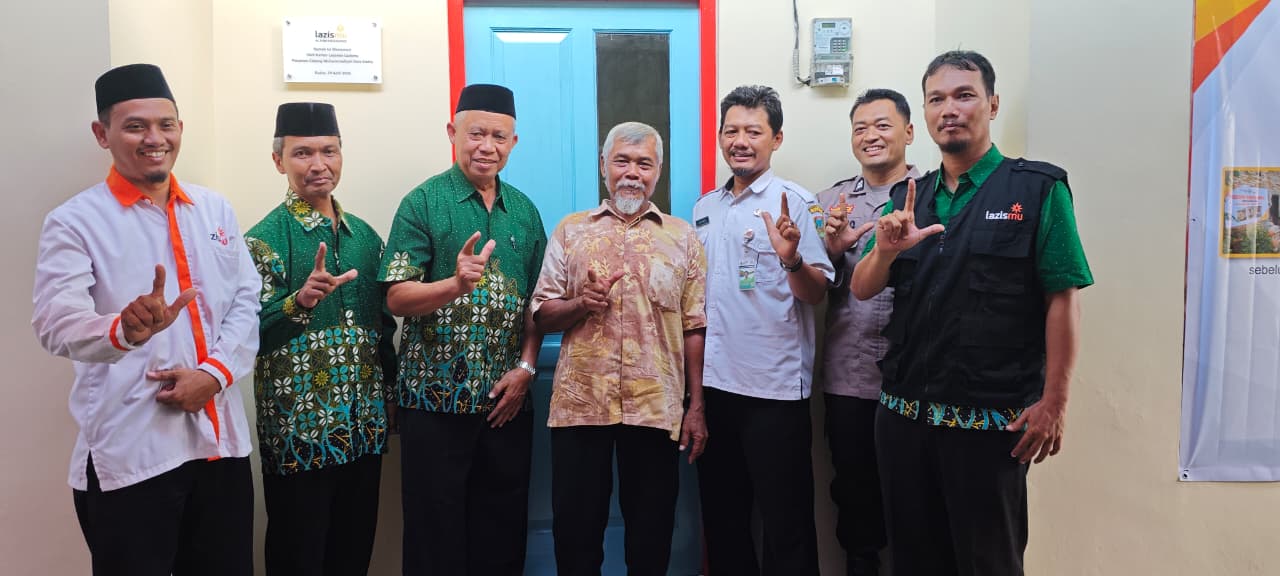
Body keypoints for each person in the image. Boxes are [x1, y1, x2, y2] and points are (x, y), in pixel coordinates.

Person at [851, 50, 1094, 576]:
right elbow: (863, 288)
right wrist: (885, 251)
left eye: (964, 95)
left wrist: (1054, 401)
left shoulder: (1037, 189)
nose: (950, 109)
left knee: (988, 563)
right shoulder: (910, 196)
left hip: (990, 424)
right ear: (924, 112)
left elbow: (1062, 297)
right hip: (903, 419)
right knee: (913, 562)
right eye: (936, 99)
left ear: (992, 104)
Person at [32, 63, 260, 576]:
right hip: (133, 454)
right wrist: (122, 330)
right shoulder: (76, 221)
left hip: (221, 448)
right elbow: (54, 321)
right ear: (102, 134)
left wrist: (214, 375)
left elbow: (246, 300)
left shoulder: (213, 209)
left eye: (166, 124)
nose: (155, 138)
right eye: (135, 126)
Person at [379, 83, 547, 576]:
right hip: (433, 402)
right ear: (453, 132)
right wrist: (453, 285)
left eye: (499, 136)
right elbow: (395, 296)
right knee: (435, 537)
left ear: (514, 143)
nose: (487, 146)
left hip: (506, 402)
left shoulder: (525, 212)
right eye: (476, 133)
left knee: (501, 534)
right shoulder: (424, 202)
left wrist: (526, 369)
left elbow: (538, 305)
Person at [531, 122, 708, 576]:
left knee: (651, 536)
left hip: (656, 408)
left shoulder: (683, 238)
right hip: (580, 406)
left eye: (644, 164)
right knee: (576, 537)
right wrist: (579, 303)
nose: (632, 173)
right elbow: (541, 315)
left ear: (658, 171)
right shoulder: (571, 232)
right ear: (603, 166)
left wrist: (696, 406)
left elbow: (694, 325)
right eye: (622, 161)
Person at [245, 102, 398, 576]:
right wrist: (298, 302)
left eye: (328, 151)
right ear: (279, 161)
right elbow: (244, 333)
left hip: (363, 426)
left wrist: (390, 395)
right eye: (302, 153)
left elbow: (383, 328)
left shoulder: (365, 238)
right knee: (299, 552)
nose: (318, 164)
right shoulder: (263, 240)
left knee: (353, 549)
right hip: (299, 431)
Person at [692, 84, 834, 576]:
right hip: (715, 388)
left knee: (786, 524)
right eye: (731, 131)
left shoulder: (796, 203)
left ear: (776, 139)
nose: (740, 141)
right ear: (719, 137)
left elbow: (815, 294)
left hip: (774, 391)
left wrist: (791, 259)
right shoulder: (704, 208)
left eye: (753, 131)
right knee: (724, 520)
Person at [816, 88, 920, 576]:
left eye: (882, 125)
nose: (870, 136)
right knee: (854, 493)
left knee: (916, 496)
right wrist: (832, 249)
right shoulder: (828, 203)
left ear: (909, 132)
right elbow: (809, 287)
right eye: (860, 128)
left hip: (916, 379)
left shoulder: (935, 196)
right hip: (849, 376)